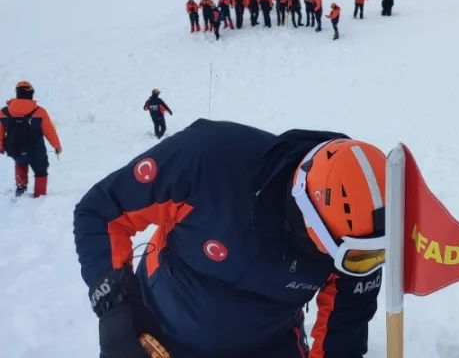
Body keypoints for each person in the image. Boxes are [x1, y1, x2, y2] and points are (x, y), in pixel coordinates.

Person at [73, 120, 386, 358]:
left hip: (271, 343)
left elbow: (343, 331)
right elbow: (102, 212)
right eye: (328, 249)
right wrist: (115, 307)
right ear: (306, 214)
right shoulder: (207, 160)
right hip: (163, 332)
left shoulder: (363, 239)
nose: (339, 261)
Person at [0, 81, 62, 197]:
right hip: (36, 150)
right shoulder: (40, 112)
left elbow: (0, 132)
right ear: (31, 94)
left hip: (15, 148)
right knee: (41, 171)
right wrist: (57, 146)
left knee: (20, 164)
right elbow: (49, 131)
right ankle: (39, 195)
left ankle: (21, 188)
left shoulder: (4, 112)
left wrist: (1, 146)